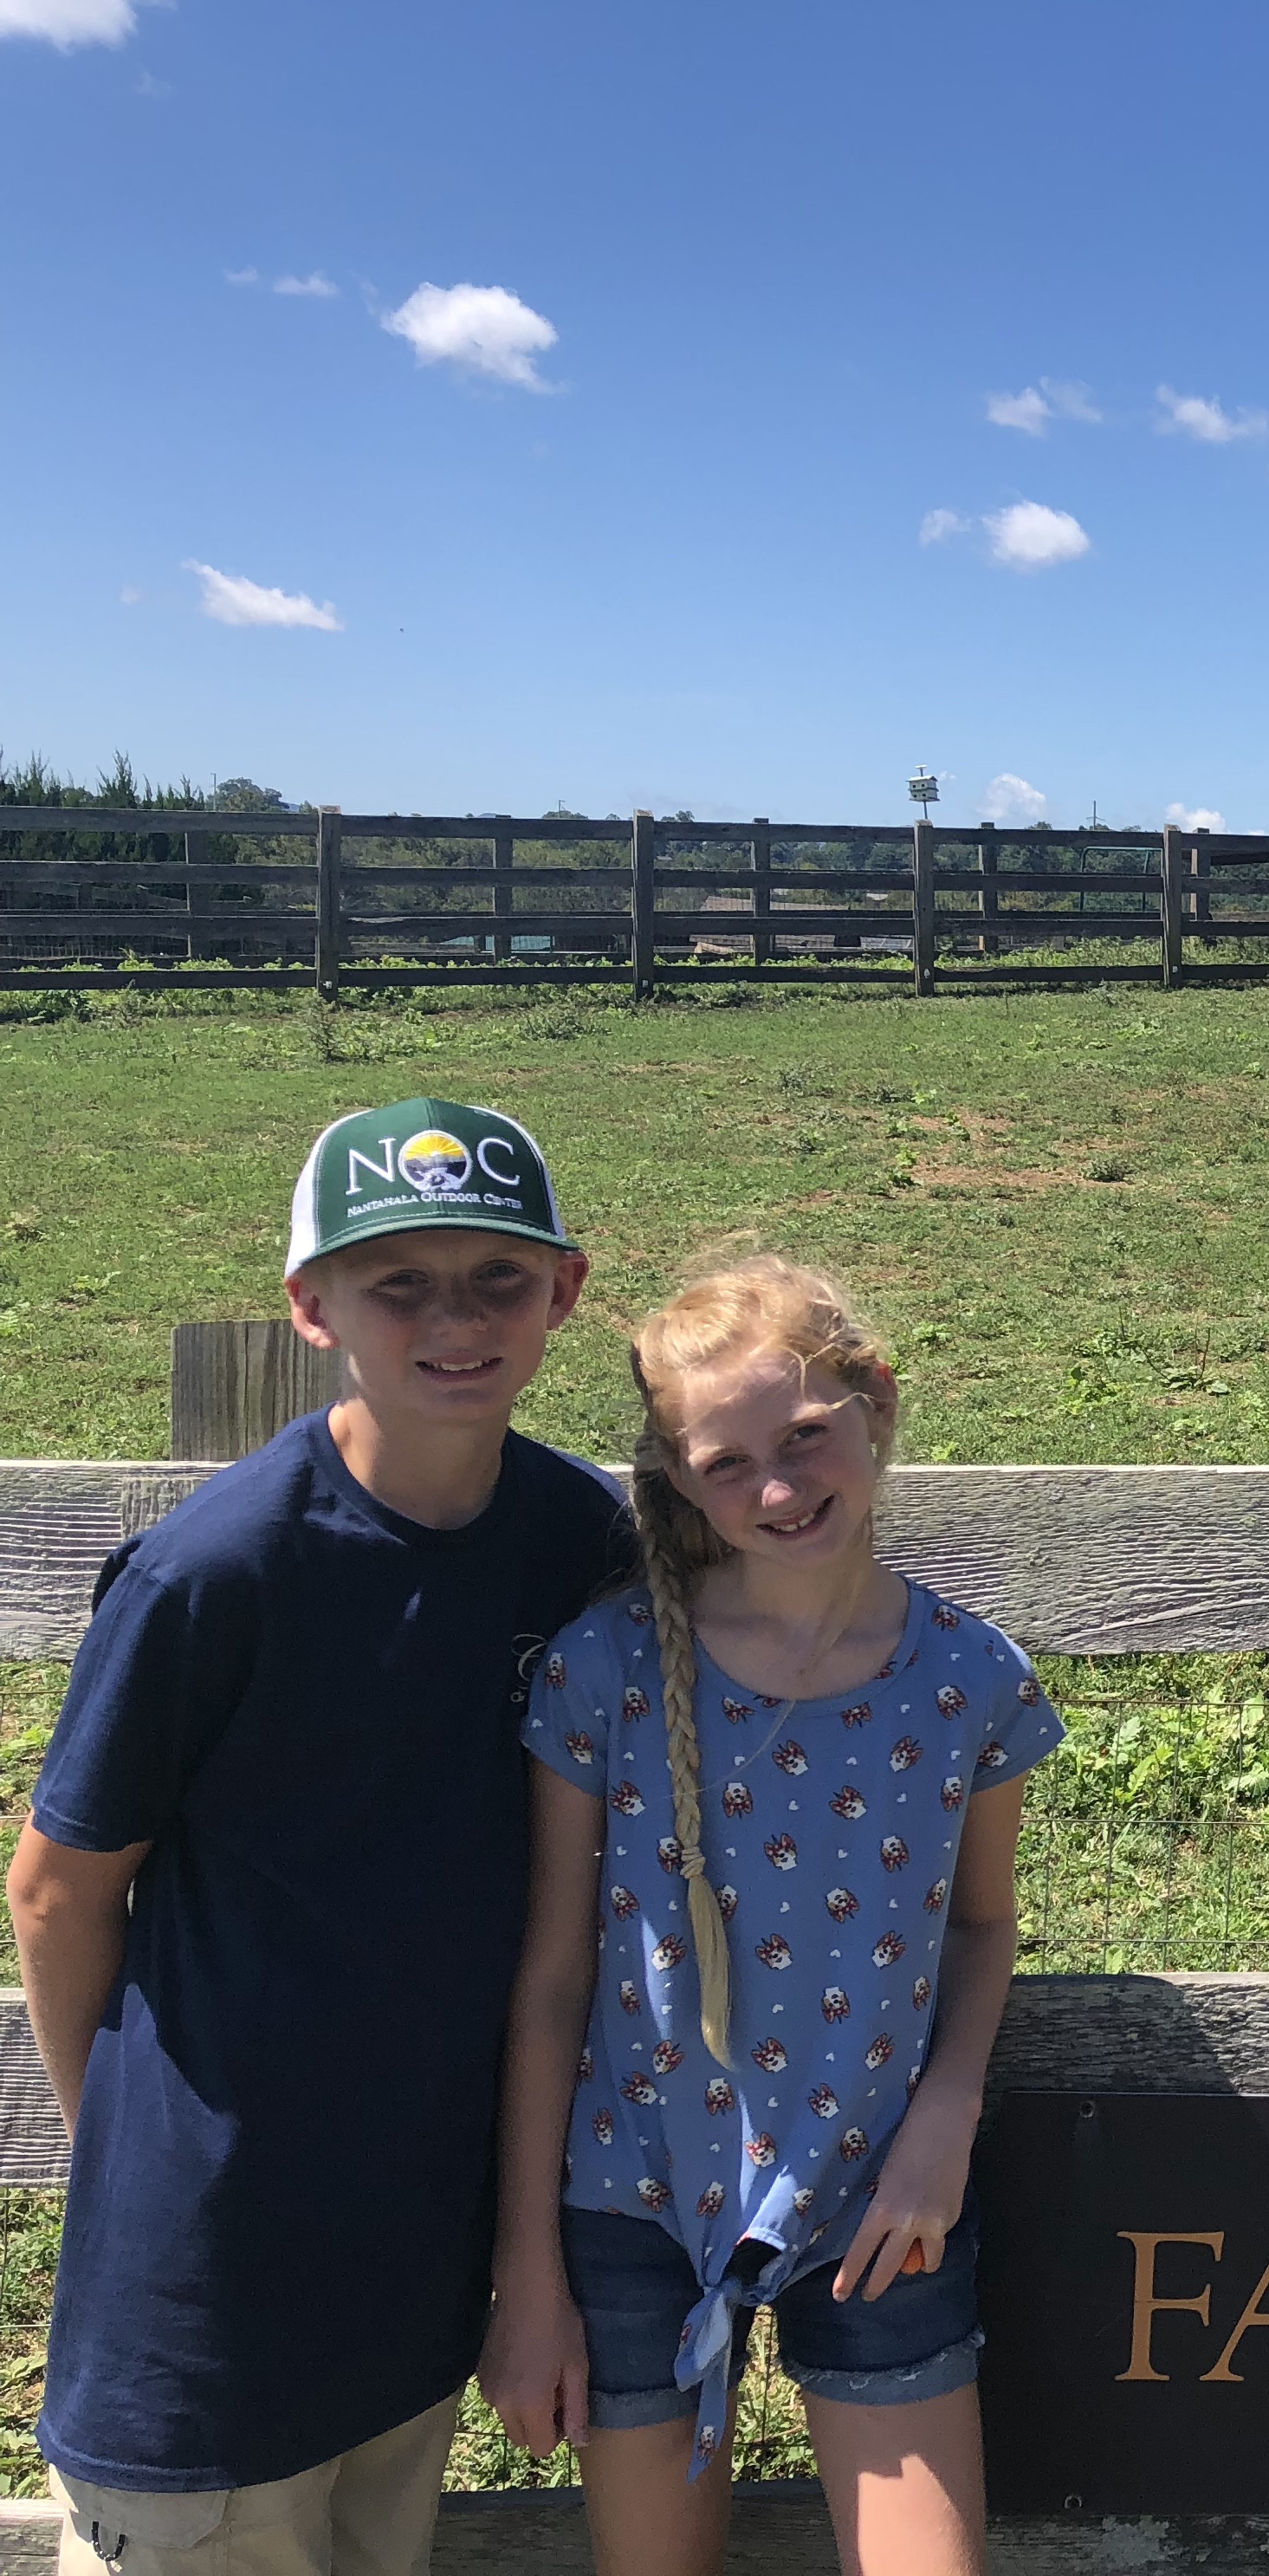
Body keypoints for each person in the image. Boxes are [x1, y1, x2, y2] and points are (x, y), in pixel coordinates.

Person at [12, 1097, 616, 2576]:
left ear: (564, 1290)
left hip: (411, 2269)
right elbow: (58, 1892)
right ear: (311, 1304)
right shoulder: (216, 1573)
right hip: (206, 2299)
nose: (454, 1318)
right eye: (399, 1281)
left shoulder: (577, 1541)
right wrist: (138, 2158)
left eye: (497, 1275)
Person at [482, 1256, 1061, 2575]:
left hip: (882, 2187)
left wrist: (945, 2121)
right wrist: (531, 2277)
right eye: (729, 1463)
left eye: (805, 1437)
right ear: (680, 1481)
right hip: (632, 2187)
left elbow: (982, 1928)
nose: (780, 1490)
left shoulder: (970, 1679)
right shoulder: (606, 1671)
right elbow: (554, 1979)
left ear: (877, 1404)